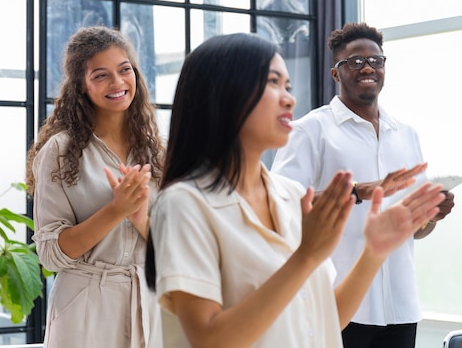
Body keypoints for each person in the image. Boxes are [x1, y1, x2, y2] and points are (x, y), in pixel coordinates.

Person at [145, 32, 445, 348]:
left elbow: (327, 319)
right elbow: (209, 339)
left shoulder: (288, 196)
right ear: (223, 95)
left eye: (287, 86)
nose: (289, 98)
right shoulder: (184, 205)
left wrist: (375, 251)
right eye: (272, 83)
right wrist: (306, 256)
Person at [271, 22, 455, 348]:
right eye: (355, 61)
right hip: (338, 303)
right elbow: (279, 207)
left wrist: (430, 216)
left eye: (376, 60)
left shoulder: (406, 134)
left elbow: (415, 230)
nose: (368, 67)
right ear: (335, 73)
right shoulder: (309, 130)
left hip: (401, 304)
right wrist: (357, 192)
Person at [26, 26, 164, 348]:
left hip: (151, 305)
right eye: (101, 75)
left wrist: (140, 218)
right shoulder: (59, 152)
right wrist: (116, 211)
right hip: (85, 308)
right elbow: (50, 256)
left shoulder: (160, 152)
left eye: (124, 70)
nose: (117, 83)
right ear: (81, 87)